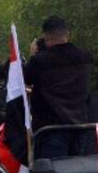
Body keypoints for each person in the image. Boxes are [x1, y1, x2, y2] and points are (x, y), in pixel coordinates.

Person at [25, 16, 93, 159]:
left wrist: (32, 55)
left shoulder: (40, 61)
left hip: (51, 127)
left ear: (46, 37)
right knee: (76, 172)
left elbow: (27, 78)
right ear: (67, 34)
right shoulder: (84, 57)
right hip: (79, 124)